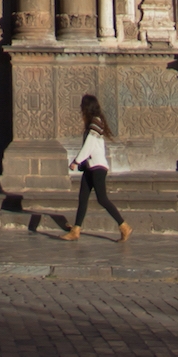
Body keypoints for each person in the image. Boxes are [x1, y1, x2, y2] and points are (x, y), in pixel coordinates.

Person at [63, 94, 132, 244]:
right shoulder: (93, 123)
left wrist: (76, 161)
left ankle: (124, 226)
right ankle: (76, 229)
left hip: (97, 167)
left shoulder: (96, 122)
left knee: (102, 198)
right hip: (90, 167)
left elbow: (89, 145)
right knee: (83, 198)